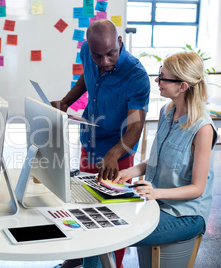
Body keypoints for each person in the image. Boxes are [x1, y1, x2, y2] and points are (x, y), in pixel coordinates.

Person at [84, 51, 217, 267]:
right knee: (96, 229)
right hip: (155, 203)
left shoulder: (202, 129)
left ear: (183, 86)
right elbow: (156, 161)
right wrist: (129, 172)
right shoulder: (167, 112)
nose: (157, 80)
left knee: (105, 238)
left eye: (163, 77)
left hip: (185, 215)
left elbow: (197, 188)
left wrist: (155, 192)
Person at [51, 19, 150, 268]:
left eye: (110, 54)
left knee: (114, 217)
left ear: (120, 42)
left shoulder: (136, 76)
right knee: (86, 204)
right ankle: (81, 257)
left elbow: (136, 125)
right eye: (98, 56)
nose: (104, 62)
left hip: (119, 153)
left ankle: (111, 264)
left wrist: (114, 153)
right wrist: (66, 101)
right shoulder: (87, 51)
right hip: (89, 141)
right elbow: (87, 76)